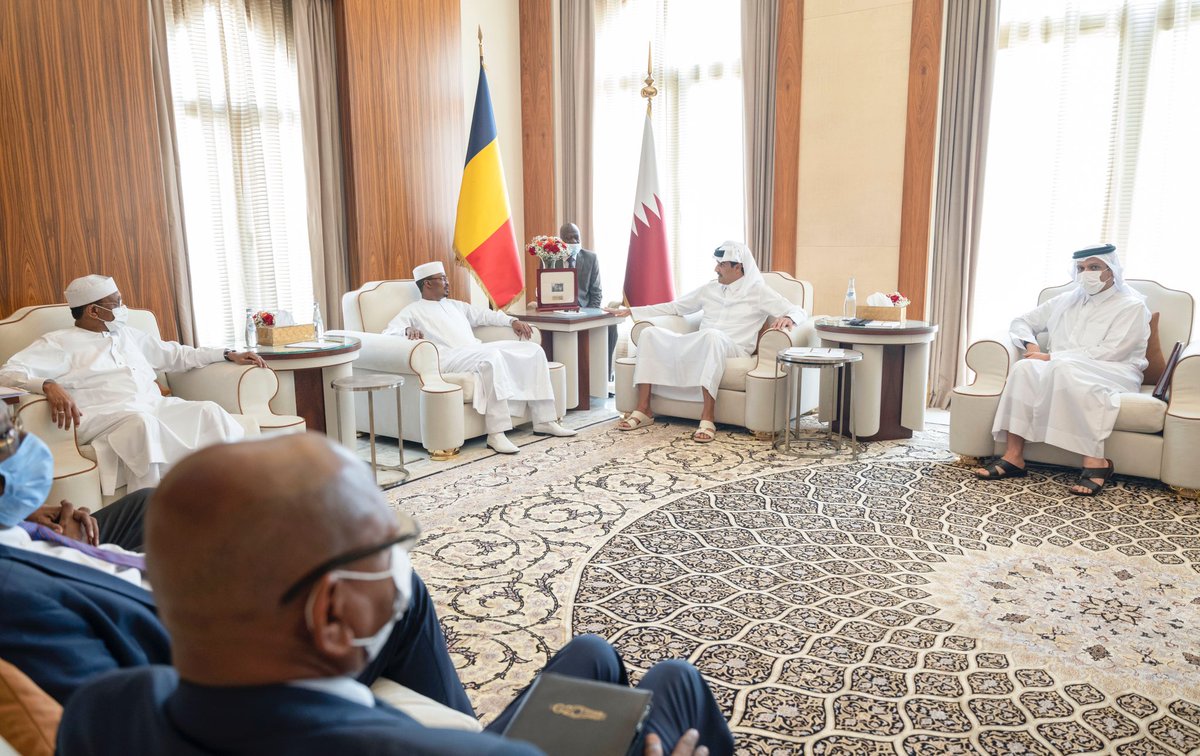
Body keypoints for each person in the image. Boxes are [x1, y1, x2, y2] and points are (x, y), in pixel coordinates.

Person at [57, 434, 735, 755]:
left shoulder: (104, 712)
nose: (401, 567)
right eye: (386, 547)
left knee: (591, 656)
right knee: (675, 681)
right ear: (332, 614)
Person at [0, 274, 265, 495]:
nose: (122, 308)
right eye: (116, 303)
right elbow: (8, 373)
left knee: (209, 412)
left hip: (153, 406)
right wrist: (47, 385)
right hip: (105, 416)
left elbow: (176, 355)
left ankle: (231, 494)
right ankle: (149, 512)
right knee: (143, 424)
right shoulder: (58, 342)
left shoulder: (126, 334)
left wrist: (226, 354)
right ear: (93, 310)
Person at [974, 243, 1151, 496]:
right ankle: (1014, 457)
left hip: (1115, 369)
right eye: (1081, 268)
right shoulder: (1066, 300)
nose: (1086, 273)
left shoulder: (1131, 306)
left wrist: (1050, 357)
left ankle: (1096, 462)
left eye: (1094, 267)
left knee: (1061, 368)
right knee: (1024, 367)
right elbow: (1021, 322)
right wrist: (1032, 346)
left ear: (1111, 270)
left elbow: (1113, 350)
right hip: (1059, 365)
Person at [605, 242, 806, 442]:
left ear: (738, 266)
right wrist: (632, 311)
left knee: (712, 336)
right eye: (717, 264)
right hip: (704, 341)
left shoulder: (758, 291)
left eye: (721, 265)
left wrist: (790, 318)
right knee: (649, 333)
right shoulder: (710, 288)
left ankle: (708, 417)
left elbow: (798, 310)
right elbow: (675, 307)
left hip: (734, 348)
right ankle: (644, 410)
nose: (716, 269)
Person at [384, 261, 576, 454]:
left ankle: (544, 421)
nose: (447, 282)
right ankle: (496, 433)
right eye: (442, 279)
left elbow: (485, 315)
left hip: (474, 350)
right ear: (427, 283)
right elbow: (388, 333)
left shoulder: (455, 305)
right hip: (449, 357)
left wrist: (512, 320)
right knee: (491, 358)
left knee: (533, 350)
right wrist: (406, 330)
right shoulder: (413, 310)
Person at [561, 221, 618, 383]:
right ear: (561, 240)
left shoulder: (590, 258)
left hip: (585, 310)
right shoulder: (551, 257)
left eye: (576, 237)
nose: (573, 241)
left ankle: (605, 375)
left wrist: (589, 315)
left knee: (611, 327)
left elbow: (596, 293)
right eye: (568, 238)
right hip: (559, 312)